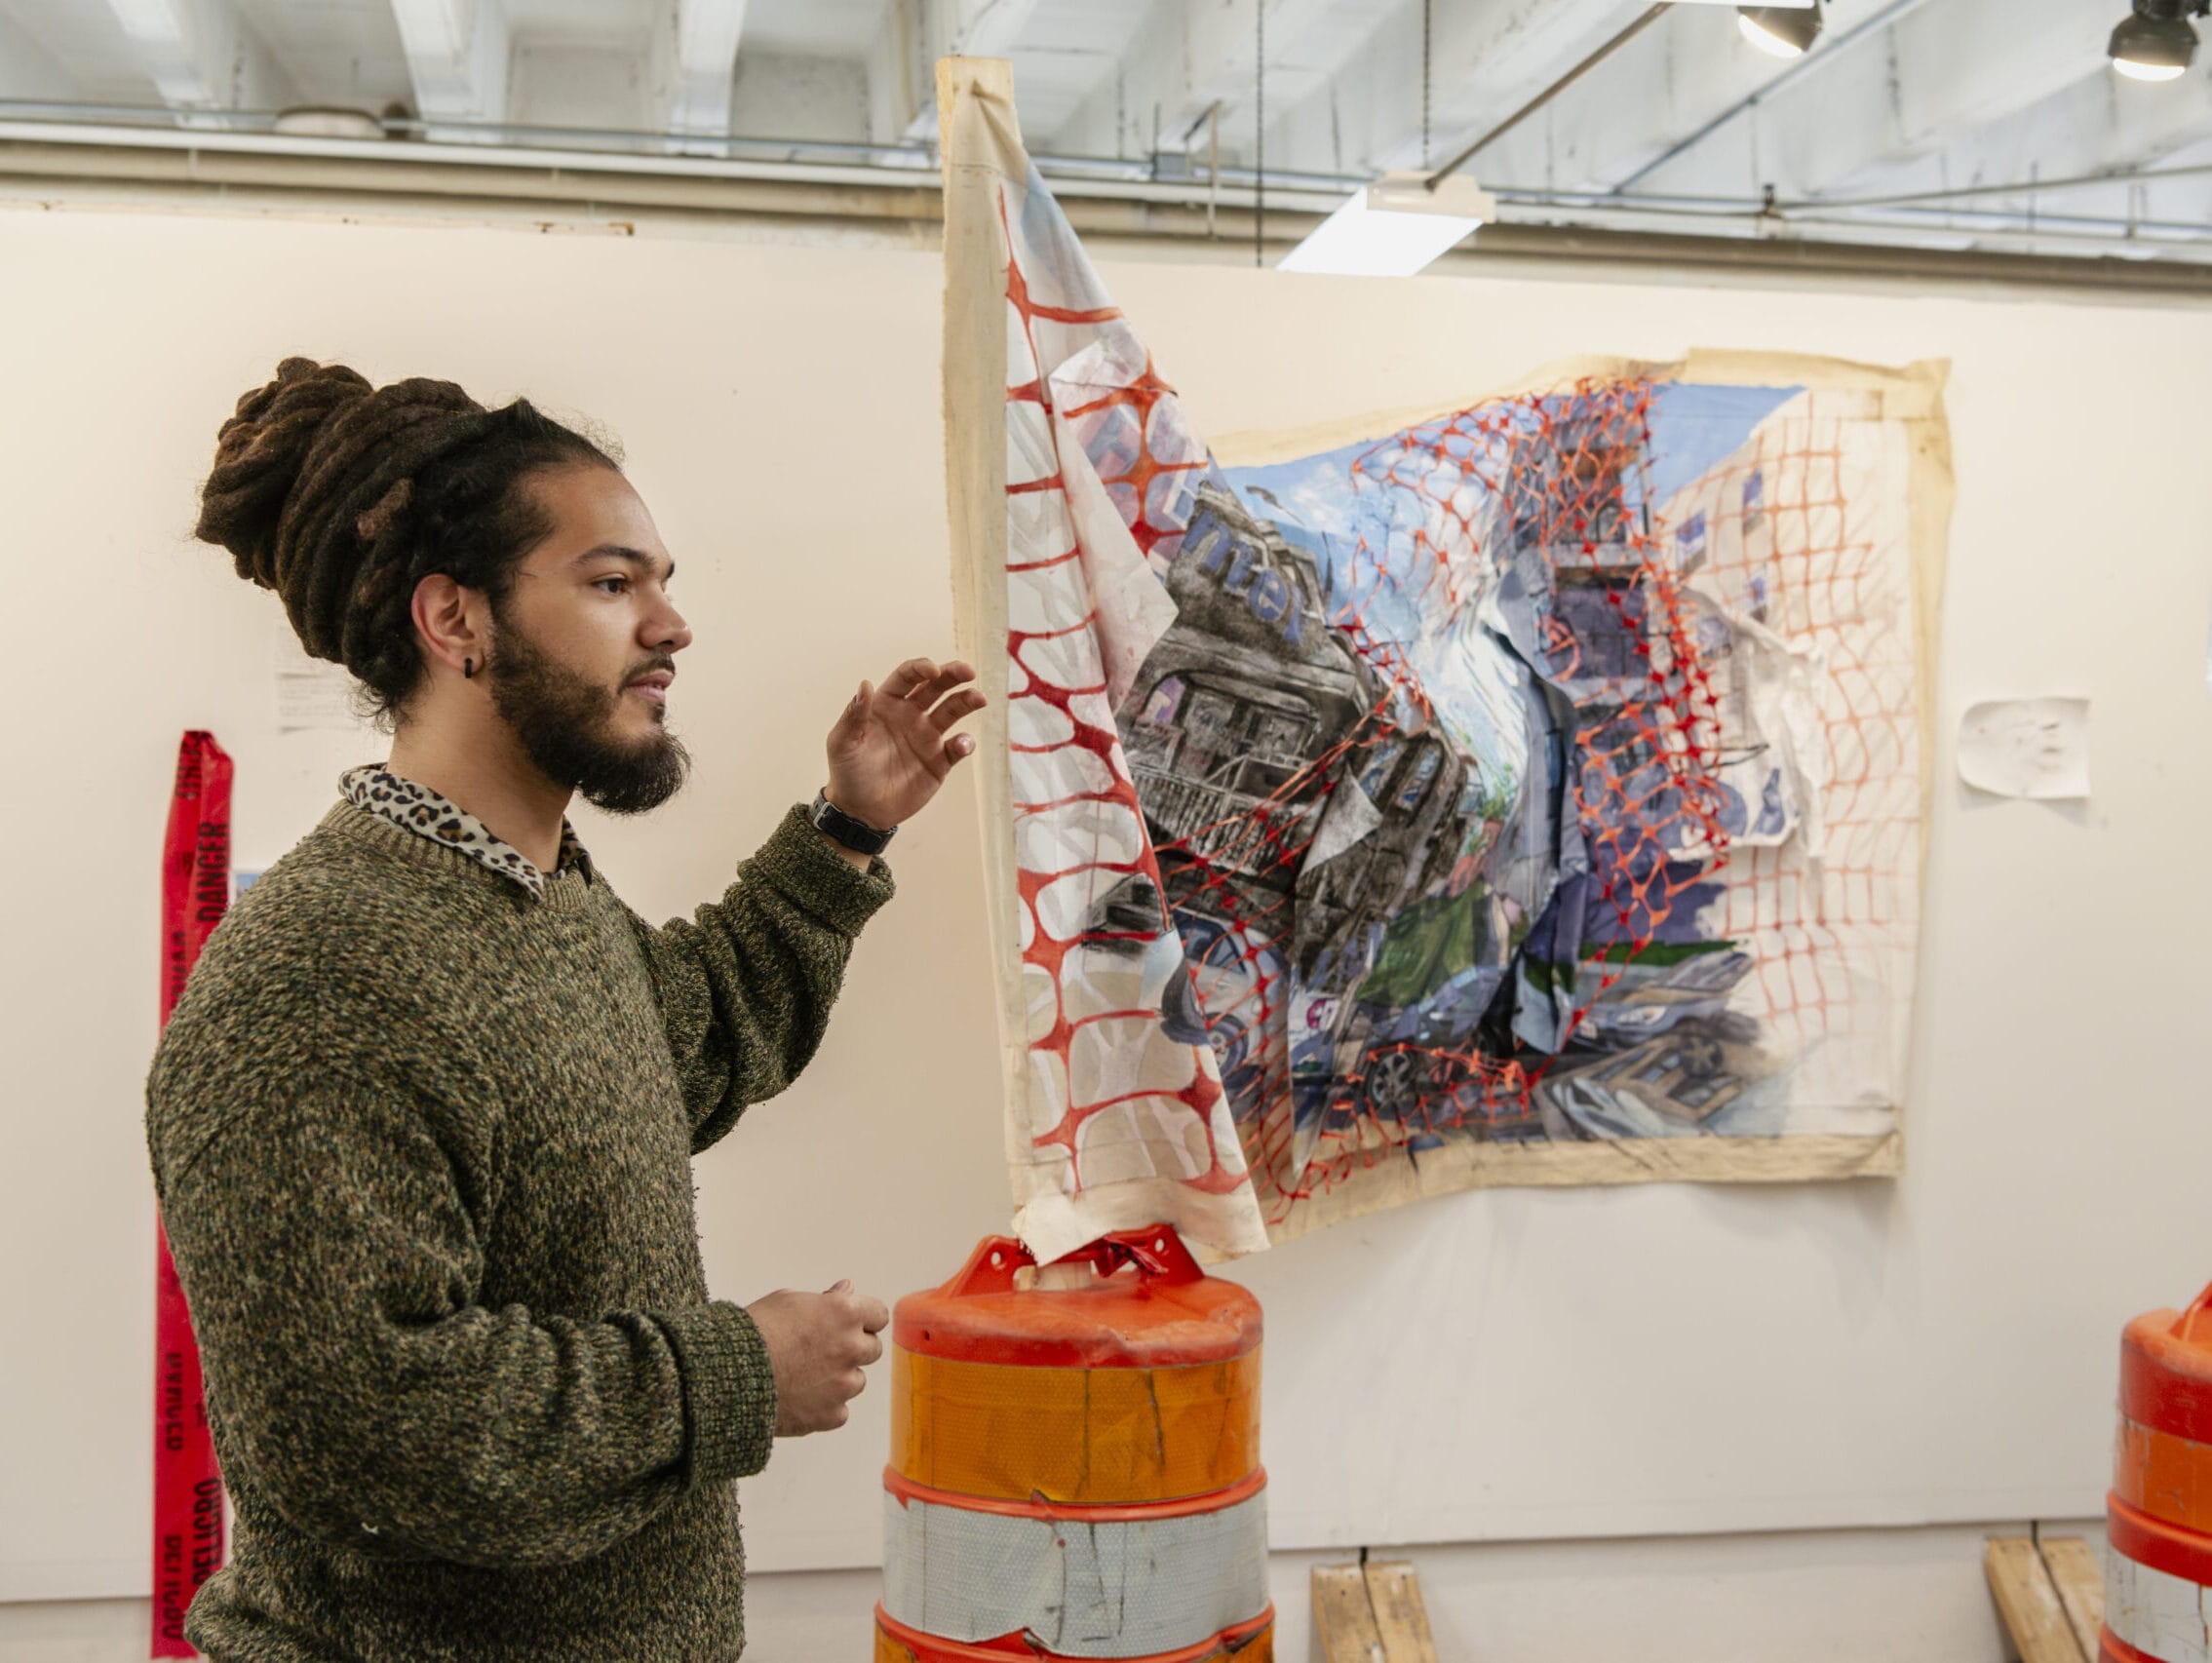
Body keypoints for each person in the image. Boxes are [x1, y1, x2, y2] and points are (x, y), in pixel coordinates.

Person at [144, 358, 983, 1661]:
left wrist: (848, 824)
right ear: (454, 619)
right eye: (610, 582)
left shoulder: (539, 899)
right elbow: (375, 1426)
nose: (669, 624)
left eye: (661, 581)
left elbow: (673, 1049)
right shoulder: (316, 980)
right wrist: (736, 1373)